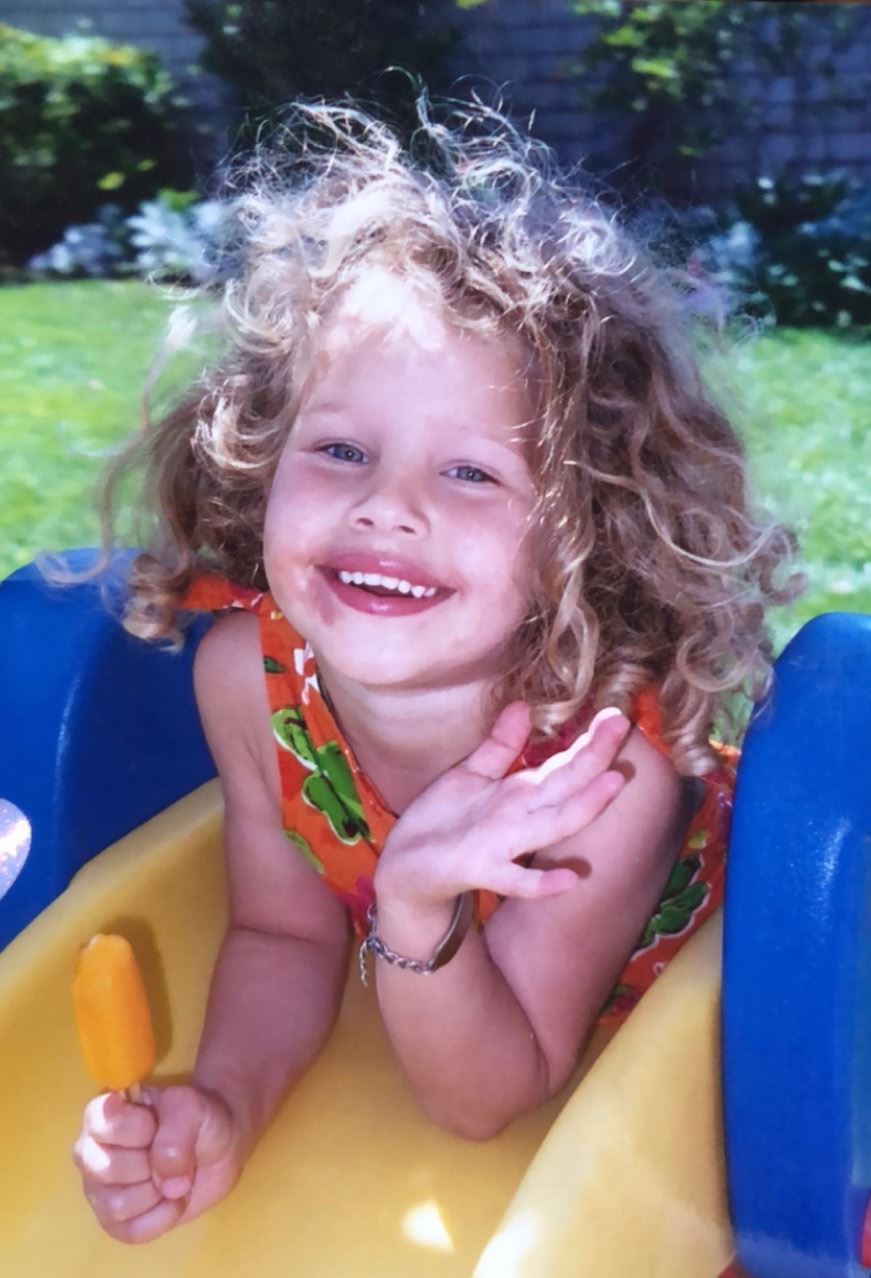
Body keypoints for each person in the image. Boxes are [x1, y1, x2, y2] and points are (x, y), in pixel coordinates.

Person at [71, 97, 798, 1243]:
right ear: (262, 455)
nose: (385, 506)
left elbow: (487, 1098)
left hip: (660, 1042)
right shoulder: (249, 681)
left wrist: (413, 904)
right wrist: (223, 1105)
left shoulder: (600, 772)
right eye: (340, 449)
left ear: (584, 531)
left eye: (469, 474)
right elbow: (281, 935)